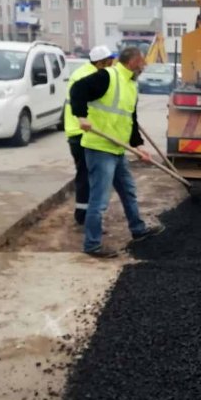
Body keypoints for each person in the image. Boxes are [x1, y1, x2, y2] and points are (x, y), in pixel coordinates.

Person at [70, 47, 164, 258]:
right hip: (99, 147)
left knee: (128, 190)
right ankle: (92, 245)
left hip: (117, 148)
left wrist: (138, 145)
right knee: (100, 200)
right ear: (132, 61)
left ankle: (138, 230)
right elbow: (77, 89)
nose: (145, 66)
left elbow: (130, 119)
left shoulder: (131, 84)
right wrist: (81, 116)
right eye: (142, 62)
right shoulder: (107, 76)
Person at [64, 45, 117, 226]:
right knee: (89, 175)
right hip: (82, 133)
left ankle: (83, 214)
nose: (113, 63)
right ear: (101, 62)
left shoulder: (86, 72)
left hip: (79, 132)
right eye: (110, 60)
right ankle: (85, 216)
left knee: (85, 174)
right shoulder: (87, 76)